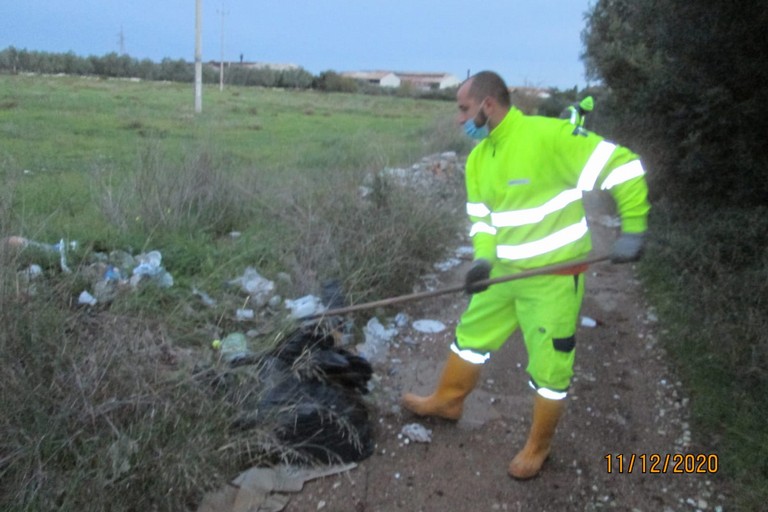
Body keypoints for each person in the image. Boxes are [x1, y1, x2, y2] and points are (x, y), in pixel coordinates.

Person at [401, 71, 649, 480]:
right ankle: (447, 401)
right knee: (469, 339)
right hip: (502, 275)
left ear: (487, 105)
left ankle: (539, 446)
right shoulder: (480, 158)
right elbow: (481, 220)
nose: (458, 118)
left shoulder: (547, 137)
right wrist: (481, 261)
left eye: (463, 109)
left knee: (550, 370)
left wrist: (634, 226)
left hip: (554, 278)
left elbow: (624, 166)